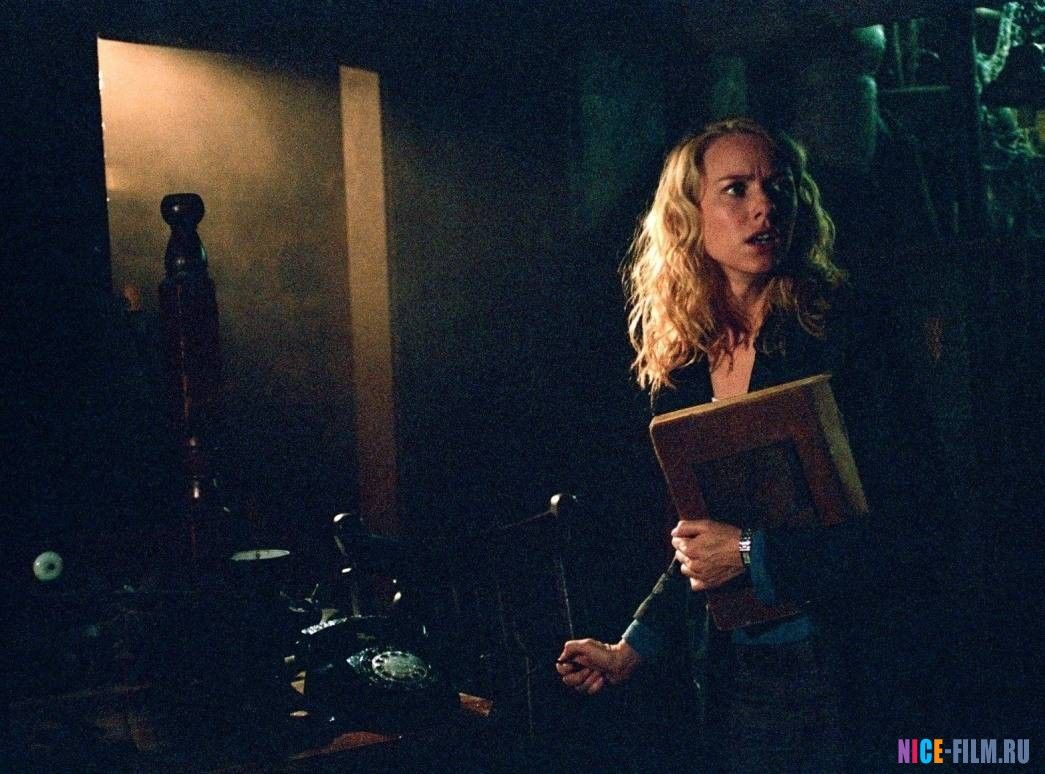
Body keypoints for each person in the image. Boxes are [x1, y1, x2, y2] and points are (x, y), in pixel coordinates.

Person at [557, 118, 947, 771]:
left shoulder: (846, 336)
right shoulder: (684, 364)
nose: (763, 206)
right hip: (739, 675)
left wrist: (749, 552)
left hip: (854, 666)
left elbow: (919, 524)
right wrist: (630, 649)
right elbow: (702, 540)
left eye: (778, 186)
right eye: (735, 189)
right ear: (690, 216)